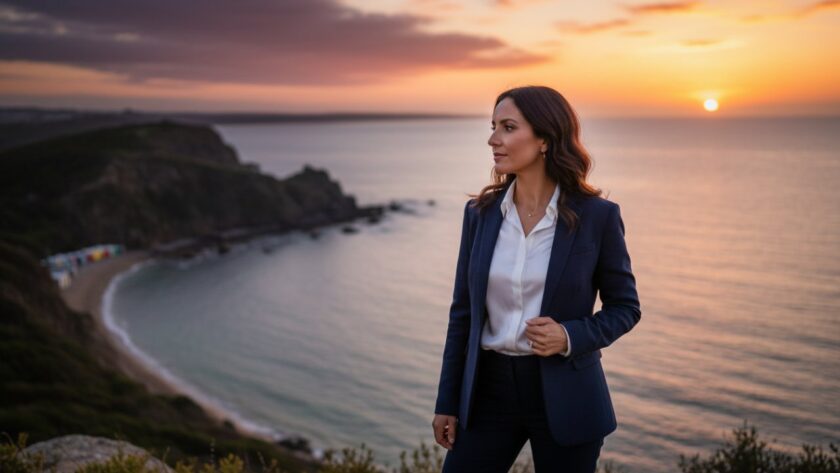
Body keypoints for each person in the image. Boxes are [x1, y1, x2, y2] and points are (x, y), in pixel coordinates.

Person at [432, 85, 641, 473]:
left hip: (567, 394)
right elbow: (462, 314)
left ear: (545, 139)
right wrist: (448, 401)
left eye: (508, 127)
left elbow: (625, 308)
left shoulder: (598, 217)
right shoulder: (480, 214)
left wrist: (570, 336)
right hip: (487, 393)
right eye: (493, 126)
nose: (493, 139)